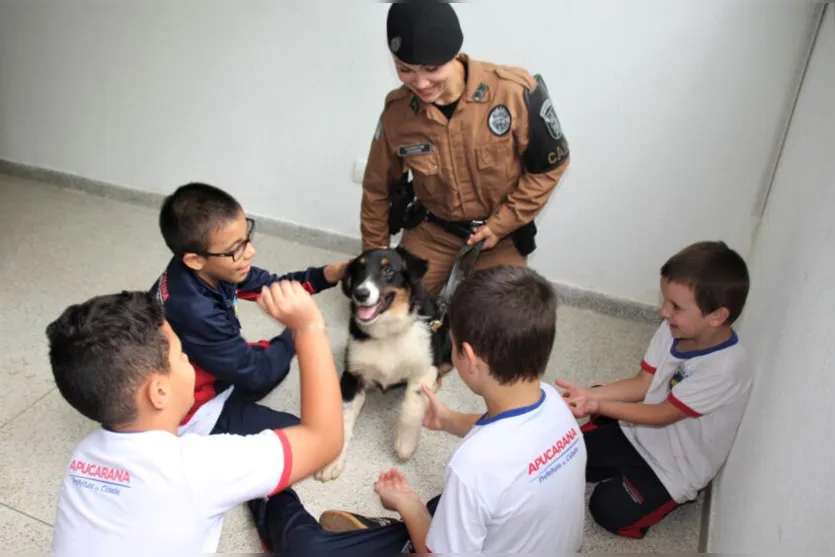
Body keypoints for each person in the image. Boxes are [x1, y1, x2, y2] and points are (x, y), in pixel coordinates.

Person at [248, 265, 588, 555]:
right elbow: (507, 436)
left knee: (309, 550)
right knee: (457, 507)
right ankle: (393, 535)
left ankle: (266, 491)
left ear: (467, 358)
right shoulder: (553, 401)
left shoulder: (474, 466)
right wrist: (448, 420)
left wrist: (407, 505)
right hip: (513, 536)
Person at [47, 283, 344, 555]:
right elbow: (324, 440)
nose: (189, 360)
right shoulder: (198, 466)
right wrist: (309, 328)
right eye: (181, 356)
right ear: (159, 392)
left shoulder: (82, 458)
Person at [361, 1, 571, 294]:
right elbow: (376, 190)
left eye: (431, 69)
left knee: (498, 321)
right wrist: (375, 259)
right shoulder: (397, 113)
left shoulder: (514, 92)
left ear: (454, 54)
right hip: (431, 230)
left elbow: (550, 167)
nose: (420, 83)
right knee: (387, 311)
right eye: (404, 69)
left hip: (497, 235)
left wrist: (501, 224)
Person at [558, 240, 752, 539]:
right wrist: (587, 395)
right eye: (665, 301)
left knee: (606, 510)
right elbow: (642, 384)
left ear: (717, 316)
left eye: (676, 307)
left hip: (673, 468)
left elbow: (662, 414)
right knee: (568, 459)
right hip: (636, 431)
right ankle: (606, 427)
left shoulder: (725, 368)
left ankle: (658, 495)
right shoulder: (673, 328)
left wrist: (596, 405)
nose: (664, 312)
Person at [149, 182, 347, 437]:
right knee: (302, 438)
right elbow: (257, 374)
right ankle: (198, 430)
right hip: (189, 408)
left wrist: (327, 275)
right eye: (236, 249)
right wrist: (298, 332)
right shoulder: (196, 312)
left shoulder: (207, 268)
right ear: (194, 259)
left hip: (206, 365)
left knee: (276, 363)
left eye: (247, 238)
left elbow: (271, 285)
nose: (251, 252)